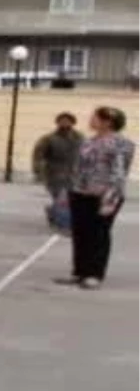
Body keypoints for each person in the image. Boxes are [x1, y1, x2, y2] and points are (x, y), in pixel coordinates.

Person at [56, 106, 134, 290]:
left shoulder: (121, 143)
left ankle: (94, 273)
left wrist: (110, 197)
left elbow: (119, 173)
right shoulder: (89, 141)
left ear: (107, 122)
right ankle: (80, 271)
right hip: (80, 192)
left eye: (95, 117)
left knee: (99, 234)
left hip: (104, 195)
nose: (91, 120)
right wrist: (69, 190)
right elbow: (79, 167)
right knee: (80, 232)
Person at [32, 112, 82, 233]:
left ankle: (54, 213)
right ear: (57, 122)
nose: (65, 123)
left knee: (69, 199)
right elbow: (38, 155)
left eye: (68, 121)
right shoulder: (48, 139)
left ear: (73, 123)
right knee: (59, 197)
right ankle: (64, 224)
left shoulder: (79, 138)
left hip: (74, 173)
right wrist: (38, 172)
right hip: (54, 172)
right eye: (62, 121)